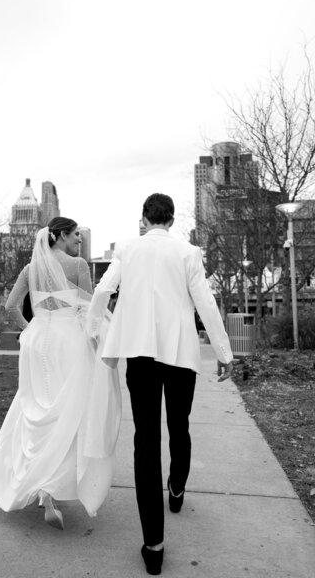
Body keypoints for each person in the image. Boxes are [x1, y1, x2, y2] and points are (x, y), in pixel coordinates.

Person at [86, 194, 234, 575]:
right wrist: (224, 352)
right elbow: (205, 302)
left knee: (146, 442)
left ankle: (154, 545)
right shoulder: (188, 253)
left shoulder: (128, 249)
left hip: (140, 355)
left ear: (144, 218)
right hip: (181, 356)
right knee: (179, 426)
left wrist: (92, 330)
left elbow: (103, 290)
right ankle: (177, 489)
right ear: (171, 219)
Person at [0, 217, 121, 529]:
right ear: (60, 236)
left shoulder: (30, 269)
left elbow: (10, 306)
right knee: (69, 410)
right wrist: (97, 340)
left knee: (34, 403)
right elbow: (91, 310)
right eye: (74, 235)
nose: (78, 241)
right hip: (68, 340)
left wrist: (31, 328)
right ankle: (51, 485)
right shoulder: (78, 266)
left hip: (37, 342)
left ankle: (33, 478)